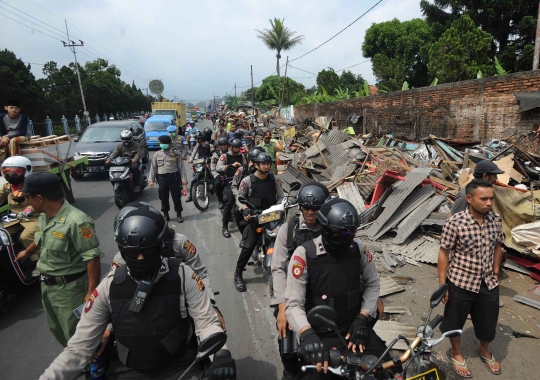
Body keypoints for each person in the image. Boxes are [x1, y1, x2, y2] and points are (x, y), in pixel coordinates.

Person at [39, 206, 236, 380]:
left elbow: (206, 323)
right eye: (133, 254)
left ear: (160, 247)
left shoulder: (184, 275)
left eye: (147, 252)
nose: (140, 259)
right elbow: (78, 348)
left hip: (180, 366)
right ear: (123, 253)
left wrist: (221, 354)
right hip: (127, 370)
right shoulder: (109, 287)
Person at [285, 199, 388, 379]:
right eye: (339, 233)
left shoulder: (360, 250)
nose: (346, 237)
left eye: (351, 232)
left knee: (384, 368)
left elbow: (373, 284)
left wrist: (363, 318)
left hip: (353, 328)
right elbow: (294, 304)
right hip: (320, 334)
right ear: (324, 228)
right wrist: (307, 334)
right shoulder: (304, 255)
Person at [15, 172, 102, 347]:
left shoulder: (77, 222)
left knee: (77, 333)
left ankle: (89, 366)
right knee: (57, 328)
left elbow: (92, 258)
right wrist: (26, 252)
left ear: (39, 198)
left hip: (71, 289)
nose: (27, 202)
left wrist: (90, 293)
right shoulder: (43, 217)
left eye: (28, 198)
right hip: (48, 286)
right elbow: (41, 239)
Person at [438, 179, 503, 377]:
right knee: (454, 320)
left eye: (491, 199)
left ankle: (483, 349)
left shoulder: (496, 220)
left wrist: (496, 271)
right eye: (484, 199)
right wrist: (443, 285)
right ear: (469, 198)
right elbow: (444, 253)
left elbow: (498, 246)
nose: (489, 203)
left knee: (488, 320)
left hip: (488, 282)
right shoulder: (455, 222)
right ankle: (456, 352)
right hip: (460, 281)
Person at [271, 183, 330, 380]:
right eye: (307, 208)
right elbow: (278, 268)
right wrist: (282, 306)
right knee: (287, 347)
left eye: (316, 208)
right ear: (300, 207)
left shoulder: (330, 230)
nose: (311, 212)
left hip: (321, 293)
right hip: (292, 295)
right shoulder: (288, 231)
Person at [234, 152, 284, 292]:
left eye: (268, 164)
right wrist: (245, 209)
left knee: (284, 241)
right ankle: (238, 273)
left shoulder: (275, 179)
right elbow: (240, 198)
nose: (266, 166)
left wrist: (280, 207)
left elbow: (281, 197)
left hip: (272, 216)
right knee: (249, 245)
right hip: (255, 217)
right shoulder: (247, 181)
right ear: (256, 165)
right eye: (263, 164)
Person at [0, 156, 40, 275]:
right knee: (2, 236)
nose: (10, 176)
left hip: (33, 217)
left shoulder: (32, 185)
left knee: (26, 237)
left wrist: (26, 211)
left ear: (26, 170)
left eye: (15, 172)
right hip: (13, 219)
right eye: (7, 172)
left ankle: (39, 262)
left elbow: (36, 202)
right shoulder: (7, 187)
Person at [148, 135, 187, 223]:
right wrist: (151, 180)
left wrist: (184, 180)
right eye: (162, 143)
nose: (163, 145)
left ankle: (179, 214)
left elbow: (181, 167)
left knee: (176, 197)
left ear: (170, 144)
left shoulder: (176, 154)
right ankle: (166, 214)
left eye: (165, 143)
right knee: (163, 197)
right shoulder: (157, 154)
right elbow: (153, 168)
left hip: (174, 177)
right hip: (162, 178)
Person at [216, 138, 245, 238]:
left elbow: (246, 167)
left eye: (238, 147)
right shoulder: (224, 156)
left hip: (241, 180)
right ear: (231, 147)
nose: (237, 149)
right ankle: (225, 226)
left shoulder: (242, 156)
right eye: (235, 147)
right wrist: (229, 166)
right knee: (230, 201)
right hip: (229, 180)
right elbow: (218, 167)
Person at [186, 132, 214, 203]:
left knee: (212, 174)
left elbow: (214, 154)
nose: (197, 140)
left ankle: (212, 187)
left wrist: (212, 159)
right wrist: (191, 159)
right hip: (200, 162)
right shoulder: (197, 145)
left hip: (208, 162)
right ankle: (191, 196)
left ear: (203, 139)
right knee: (193, 179)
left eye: (199, 138)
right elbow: (193, 153)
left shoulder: (210, 145)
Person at [211, 137, 230, 210]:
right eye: (222, 145)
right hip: (220, 175)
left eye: (225, 144)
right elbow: (213, 168)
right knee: (217, 184)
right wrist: (217, 176)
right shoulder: (216, 155)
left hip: (231, 175)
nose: (223, 146)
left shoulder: (231, 153)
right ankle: (221, 201)